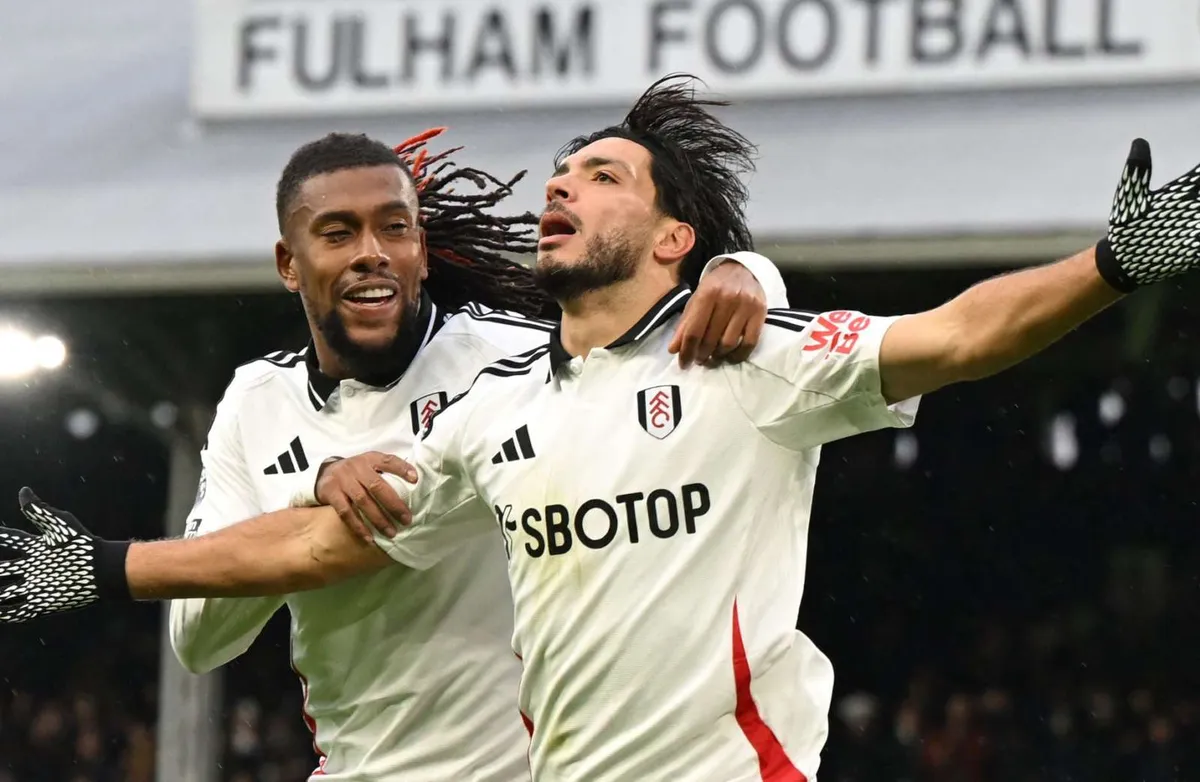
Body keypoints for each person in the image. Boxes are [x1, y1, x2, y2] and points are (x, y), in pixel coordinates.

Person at [2, 74, 1200, 781]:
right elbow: (322, 550)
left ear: (677, 238)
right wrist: (107, 565)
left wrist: (1108, 265)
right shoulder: (489, 409)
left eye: (604, 174)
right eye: (562, 173)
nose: (562, 184)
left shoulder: (745, 360)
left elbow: (958, 331)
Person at [5, 125, 783, 782]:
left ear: (420, 249)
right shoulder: (256, 404)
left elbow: (659, 336)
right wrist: (306, 490)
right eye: (338, 233)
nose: (371, 252)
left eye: (394, 228)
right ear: (289, 264)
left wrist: (745, 269)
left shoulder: (513, 360)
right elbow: (201, 642)